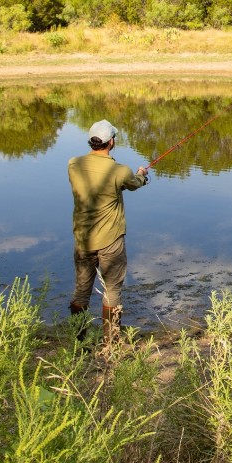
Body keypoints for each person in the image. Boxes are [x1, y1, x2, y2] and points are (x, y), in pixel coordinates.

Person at [68, 119, 149, 348]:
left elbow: (97, 185)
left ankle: (79, 340)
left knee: (81, 290)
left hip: (83, 239)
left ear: (91, 141)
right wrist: (142, 173)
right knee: (112, 290)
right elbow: (134, 183)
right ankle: (111, 343)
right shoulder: (120, 171)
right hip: (111, 241)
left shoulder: (73, 164)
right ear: (111, 142)